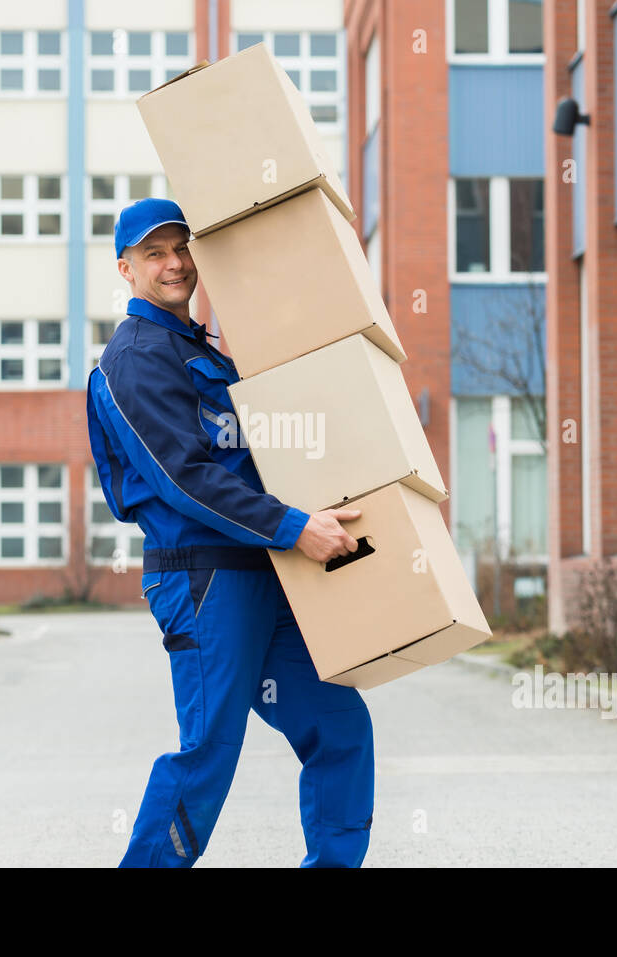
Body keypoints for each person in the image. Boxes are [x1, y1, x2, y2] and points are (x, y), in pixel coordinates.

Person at [86, 197, 376, 867]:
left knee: (338, 727)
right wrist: (293, 526)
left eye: (182, 248)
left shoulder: (202, 350)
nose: (174, 262)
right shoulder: (133, 358)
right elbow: (183, 476)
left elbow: (258, 457)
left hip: (264, 570)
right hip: (204, 579)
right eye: (155, 253)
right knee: (210, 749)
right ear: (126, 268)